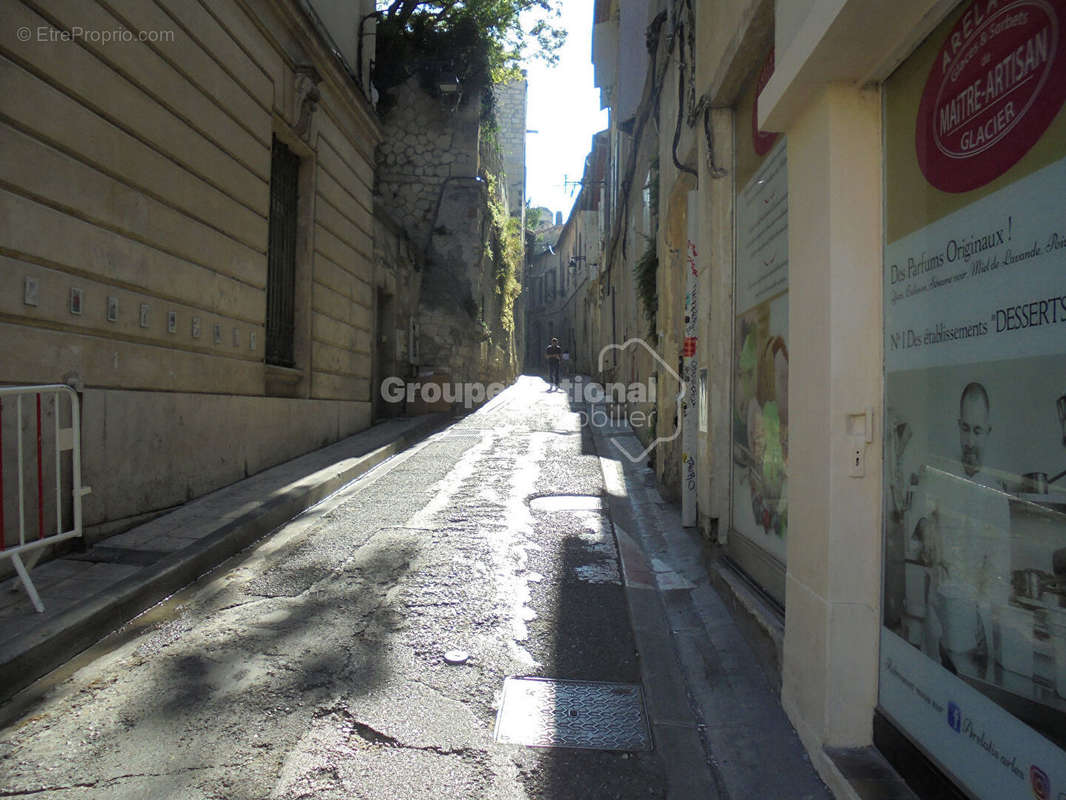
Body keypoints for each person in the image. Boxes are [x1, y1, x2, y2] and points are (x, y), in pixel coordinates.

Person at [911, 382, 1011, 669]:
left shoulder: (997, 496)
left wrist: (984, 617)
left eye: (977, 431)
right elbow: (917, 516)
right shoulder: (937, 474)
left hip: (972, 628)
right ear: (958, 426)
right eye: (965, 429)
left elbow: (999, 571)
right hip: (936, 620)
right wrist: (924, 526)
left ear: (988, 432)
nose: (969, 440)